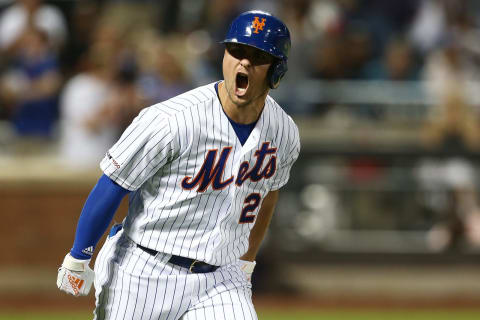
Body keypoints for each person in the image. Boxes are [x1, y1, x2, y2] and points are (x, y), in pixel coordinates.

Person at [56, 10, 300, 320]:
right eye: (237, 51)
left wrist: (247, 260)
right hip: (144, 269)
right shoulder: (172, 120)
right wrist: (79, 255)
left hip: (220, 279)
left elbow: (268, 194)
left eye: (258, 56)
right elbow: (113, 183)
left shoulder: (283, 131)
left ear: (277, 70)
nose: (244, 62)